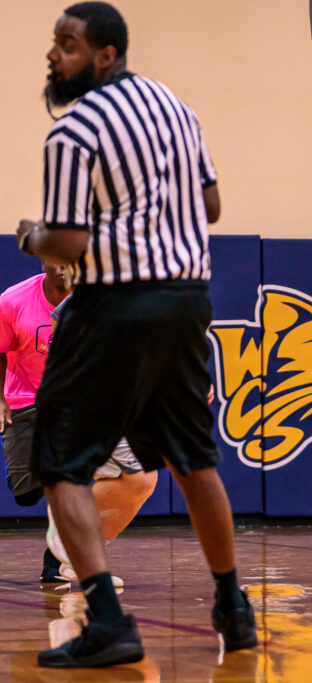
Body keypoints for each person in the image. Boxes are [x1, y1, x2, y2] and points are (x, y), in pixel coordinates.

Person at [15, 2, 252, 667]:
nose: (52, 55)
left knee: (58, 461)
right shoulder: (176, 109)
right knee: (193, 458)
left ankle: (108, 620)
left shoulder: (74, 129)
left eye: (66, 44)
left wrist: (31, 235)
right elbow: (211, 206)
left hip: (112, 307)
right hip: (186, 303)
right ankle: (233, 607)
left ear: (105, 55)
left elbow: (66, 242)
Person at [0, 263, 157, 587]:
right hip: (30, 402)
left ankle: (77, 554)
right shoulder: (14, 301)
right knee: (27, 493)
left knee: (142, 478)